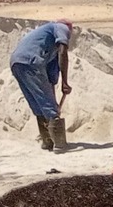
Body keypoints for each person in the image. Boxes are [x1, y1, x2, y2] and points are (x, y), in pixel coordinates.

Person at [8, 19, 72, 151]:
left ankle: (48, 141)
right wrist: (65, 83)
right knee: (49, 106)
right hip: (31, 61)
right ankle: (59, 143)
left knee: (37, 105)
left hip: (16, 62)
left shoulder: (46, 41)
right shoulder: (61, 27)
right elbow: (63, 52)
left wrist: (53, 95)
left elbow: (51, 77)